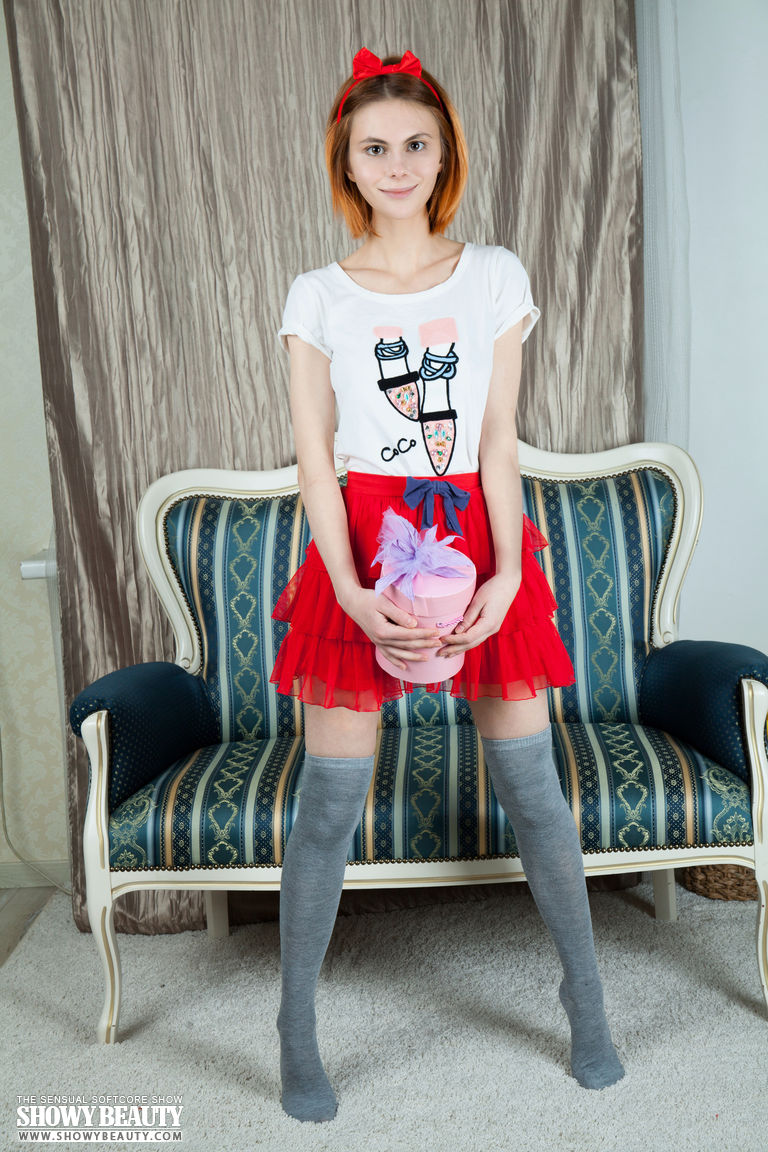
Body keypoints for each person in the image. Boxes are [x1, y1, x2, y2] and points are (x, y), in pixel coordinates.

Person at [270, 47, 625, 1123]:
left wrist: (511, 571)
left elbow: (500, 439)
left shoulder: (495, 275)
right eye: (375, 147)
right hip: (361, 541)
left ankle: (586, 996)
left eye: (415, 144)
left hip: (471, 524)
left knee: (533, 788)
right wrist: (346, 584)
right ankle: (296, 1025)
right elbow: (316, 460)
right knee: (330, 804)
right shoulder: (317, 295)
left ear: (443, 155)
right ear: (346, 161)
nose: (396, 164)